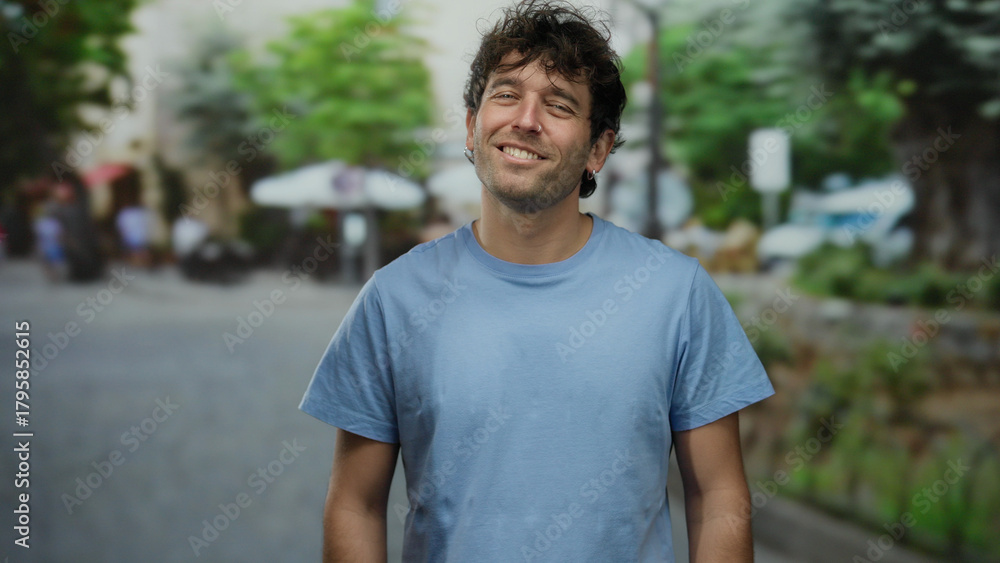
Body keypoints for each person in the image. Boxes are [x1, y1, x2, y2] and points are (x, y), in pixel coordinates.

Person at [299, 1, 775, 561]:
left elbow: (718, 495)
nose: (525, 119)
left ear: (598, 148)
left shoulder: (676, 292)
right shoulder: (392, 299)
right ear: (473, 127)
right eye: (505, 94)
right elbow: (355, 503)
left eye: (558, 104)